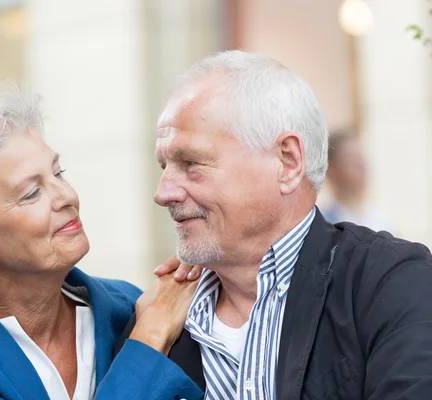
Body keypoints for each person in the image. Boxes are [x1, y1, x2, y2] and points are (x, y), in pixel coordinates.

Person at [117, 50, 432, 399]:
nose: (163, 193)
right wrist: (146, 341)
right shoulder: (156, 322)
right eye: (164, 166)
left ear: (288, 162)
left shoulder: (390, 283)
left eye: (191, 163)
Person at [0, 90, 204, 400]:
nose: (68, 197)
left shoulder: (128, 306)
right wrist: (148, 338)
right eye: (31, 194)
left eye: (58, 173)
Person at [321, 130, 393, 232]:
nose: (361, 165)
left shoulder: (381, 221)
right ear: (330, 170)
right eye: (351, 159)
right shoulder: (324, 224)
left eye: (361, 158)